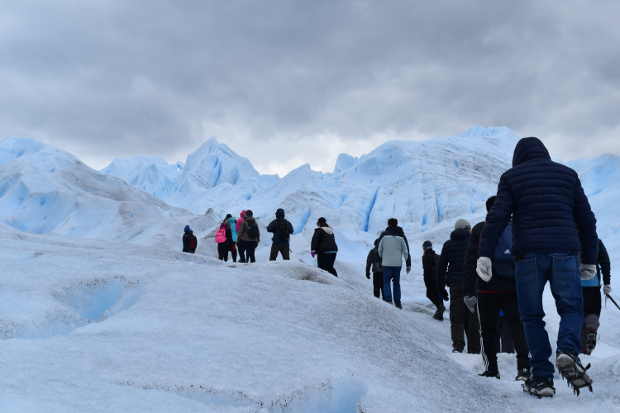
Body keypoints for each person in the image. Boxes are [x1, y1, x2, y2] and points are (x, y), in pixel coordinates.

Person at [478, 137, 598, 397]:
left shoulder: (511, 177)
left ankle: (542, 378)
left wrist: (484, 253)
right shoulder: (568, 175)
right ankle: (567, 350)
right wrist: (590, 258)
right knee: (570, 308)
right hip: (565, 253)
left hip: (528, 256)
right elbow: (587, 219)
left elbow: (497, 217)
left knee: (531, 316)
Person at [464, 196, 530, 381]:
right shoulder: (516, 227)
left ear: (488, 210)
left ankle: (492, 369)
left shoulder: (479, 229)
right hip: (513, 286)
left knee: (488, 330)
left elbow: (471, 261)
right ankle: (524, 368)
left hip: (486, 288)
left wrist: (468, 290)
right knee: (518, 327)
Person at [438, 219, 480, 354]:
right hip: (473, 285)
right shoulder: (474, 242)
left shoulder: (448, 245)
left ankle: (458, 346)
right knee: (472, 316)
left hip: (455, 285)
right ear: (468, 228)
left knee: (457, 316)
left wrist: (441, 287)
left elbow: (441, 267)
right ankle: (474, 349)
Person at [580, 238, 611, 355]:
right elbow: (605, 262)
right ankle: (590, 334)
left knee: (574, 318)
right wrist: (607, 283)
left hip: (574, 286)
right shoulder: (595, 240)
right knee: (592, 314)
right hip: (592, 284)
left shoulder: (569, 237)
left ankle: (572, 352)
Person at [378, 218, 411, 309]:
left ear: (388, 224)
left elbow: (379, 249)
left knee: (386, 282)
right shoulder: (401, 235)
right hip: (397, 264)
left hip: (386, 263)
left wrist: (381, 258)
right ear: (397, 224)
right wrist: (408, 264)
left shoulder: (384, 235)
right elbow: (406, 251)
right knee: (396, 283)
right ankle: (398, 303)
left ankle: (388, 300)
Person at [422, 240, 445, 321]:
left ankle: (440, 308)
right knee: (438, 294)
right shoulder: (437, 256)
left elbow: (426, 271)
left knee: (430, 294)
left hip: (431, 279)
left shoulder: (425, 257)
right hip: (440, 279)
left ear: (424, 248)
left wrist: (426, 282)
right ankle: (440, 313)